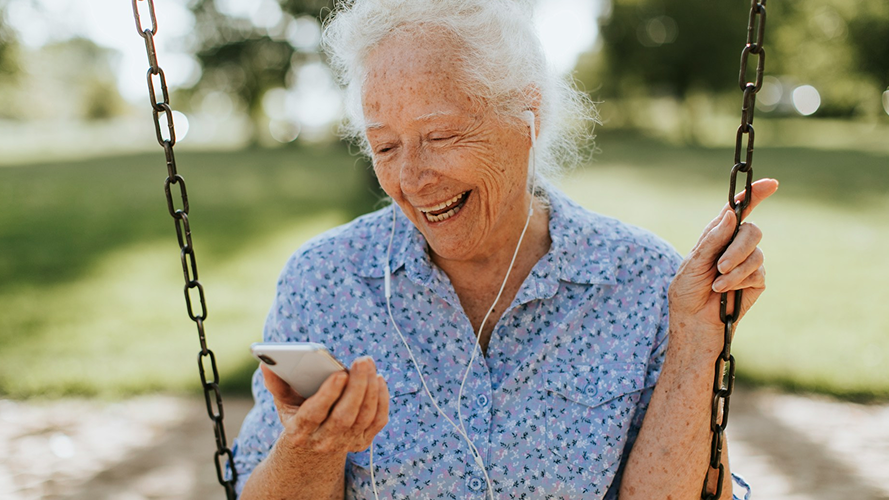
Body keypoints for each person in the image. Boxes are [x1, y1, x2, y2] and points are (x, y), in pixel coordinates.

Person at [232, 0, 777, 498]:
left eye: (441, 136)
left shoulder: (641, 280)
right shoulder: (324, 281)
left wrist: (696, 346)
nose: (413, 178)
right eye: (386, 146)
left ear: (526, 115)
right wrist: (312, 447)